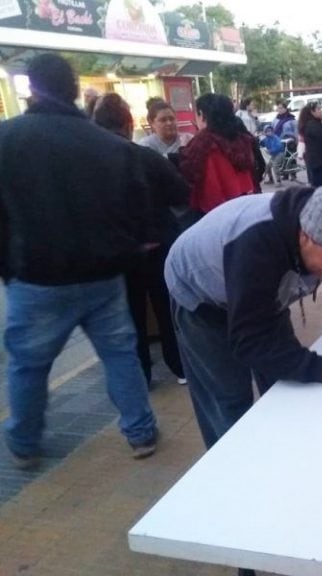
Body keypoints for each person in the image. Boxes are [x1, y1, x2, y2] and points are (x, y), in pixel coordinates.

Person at [0, 54, 158, 468]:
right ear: (73, 89)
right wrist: (125, 250)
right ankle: (141, 433)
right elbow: (139, 211)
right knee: (120, 355)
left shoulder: (7, 139)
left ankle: (25, 443)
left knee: (29, 365)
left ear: (32, 88)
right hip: (104, 277)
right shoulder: (108, 144)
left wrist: (8, 267)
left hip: (36, 277)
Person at [165, 185, 322, 449]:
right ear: (306, 237)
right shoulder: (256, 244)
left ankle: (284, 449)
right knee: (229, 396)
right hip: (201, 295)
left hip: (261, 292)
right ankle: (234, 465)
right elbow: (250, 341)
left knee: (282, 380)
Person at [92, 93, 189, 387]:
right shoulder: (144, 156)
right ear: (129, 122)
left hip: (118, 251)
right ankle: (180, 367)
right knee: (167, 307)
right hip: (158, 242)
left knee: (130, 316)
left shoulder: (89, 164)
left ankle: (142, 375)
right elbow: (180, 193)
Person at [179, 93, 256, 222]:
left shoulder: (204, 142)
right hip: (245, 205)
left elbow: (203, 184)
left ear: (202, 115)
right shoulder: (241, 139)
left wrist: (182, 148)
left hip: (217, 213)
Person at [298, 101, 322, 186]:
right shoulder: (311, 124)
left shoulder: (315, 123)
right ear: (312, 112)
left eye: (321, 108)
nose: (321, 111)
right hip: (318, 164)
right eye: (318, 109)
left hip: (319, 163)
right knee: (321, 188)